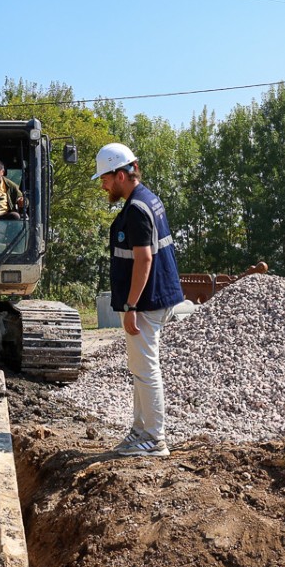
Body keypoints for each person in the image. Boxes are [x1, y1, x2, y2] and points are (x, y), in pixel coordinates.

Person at [95, 143, 184, 458]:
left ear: (120, 174)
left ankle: (154, 438)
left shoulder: (136, 208)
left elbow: (144, 259)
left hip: (145, 303)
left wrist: (132, 306)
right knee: (140, 367)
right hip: (151, 298)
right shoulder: (147, 199)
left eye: (104, 178)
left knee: (145, 369)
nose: (103, 185)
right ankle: (140, 431)